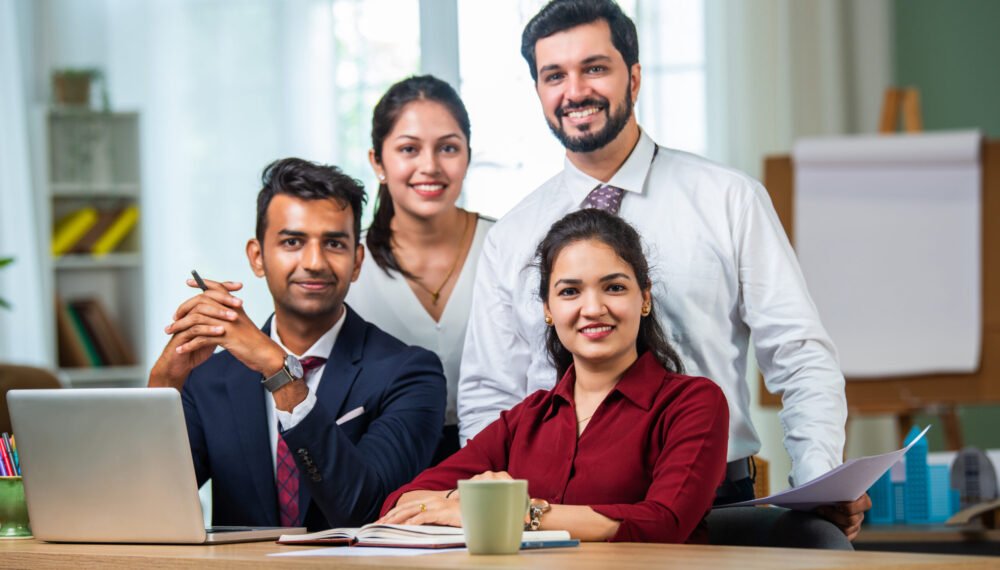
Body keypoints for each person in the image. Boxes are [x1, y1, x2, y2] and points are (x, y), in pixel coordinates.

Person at [456, 0, 870, 541]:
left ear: (635, 76)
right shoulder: (512, 236)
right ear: (538, 91)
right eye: (554, 75)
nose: (574, 90)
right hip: (554, 519)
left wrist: (817, 479)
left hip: (713, 508)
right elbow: (491, 393)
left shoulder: (728, 199)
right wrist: (500, 517)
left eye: (595, 68)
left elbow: (797, 351)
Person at [379, 209, 729, 544]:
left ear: (645, 298)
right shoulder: (529, 417)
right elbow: (401, 502)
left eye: (614, 288)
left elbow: (663, 522)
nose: (592, 309)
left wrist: (513, 512)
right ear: (548, 309)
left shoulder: (693, 403)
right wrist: (465, 498)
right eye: (569, 292)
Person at [148, 158, 446, 530]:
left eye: (334, 244)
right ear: (257, 257)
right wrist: (163, 386)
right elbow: (144, 509)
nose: (314, 262)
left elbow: (367, 511)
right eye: (292, 242)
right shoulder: (208, 379)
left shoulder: (411, 373)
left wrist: (279, 372)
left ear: (356, 261)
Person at [346, 75, 494, 464]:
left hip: (496, 465)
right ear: (377, 161)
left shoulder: (506, 246)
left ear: (467, 156)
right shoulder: (345, 262)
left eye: (448, 148)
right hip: (378, 464)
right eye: (409, 149)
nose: (430, 167)